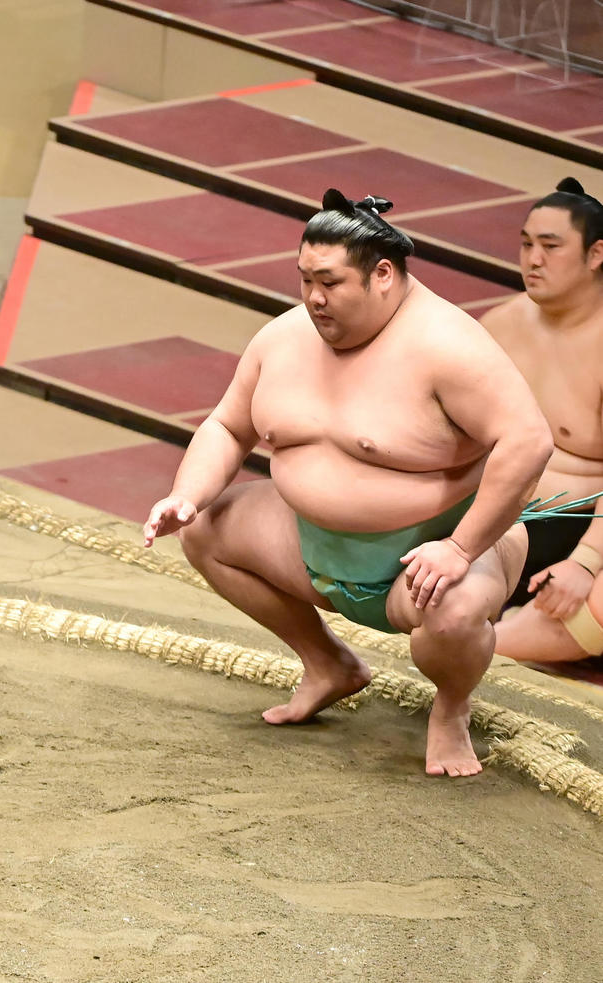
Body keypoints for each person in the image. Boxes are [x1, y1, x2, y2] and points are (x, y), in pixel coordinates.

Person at [143, 190, 553, 778]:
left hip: (429, 557)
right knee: (206, 528)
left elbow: (528, 439)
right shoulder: (282, 338)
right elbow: (228, 426)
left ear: (382, 274)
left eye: (330, 282)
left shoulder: (448, 346)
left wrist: (460, 547)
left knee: (456, 612)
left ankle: (452, 709)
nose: (314, 297)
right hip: (309, 545)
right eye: (305, 278)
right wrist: (188, 494)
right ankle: (328, 665)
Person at [485, 179, 603, 664]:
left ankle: (490, 643)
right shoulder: (500, 324)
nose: (533, 259)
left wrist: (586, 563)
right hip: (498, 515)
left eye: (551, 247)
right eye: (526, 244)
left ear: (596, 255)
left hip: (587, 523)